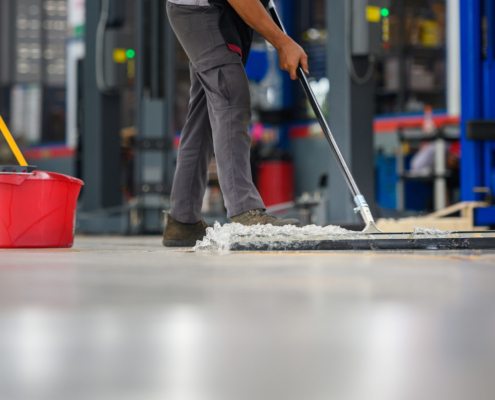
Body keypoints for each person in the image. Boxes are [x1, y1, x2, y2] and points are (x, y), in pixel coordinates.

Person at [163, 0, 309, 247]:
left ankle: (183, 222)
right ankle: (245, 212)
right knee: (230, 92)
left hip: (219, 12)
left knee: (203, 115)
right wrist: (282, 42)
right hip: (202, 11)